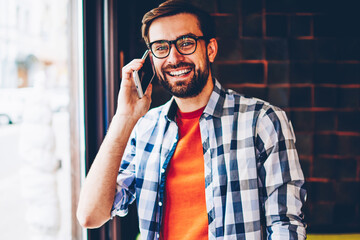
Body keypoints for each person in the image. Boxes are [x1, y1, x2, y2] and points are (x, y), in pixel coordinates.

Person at [77, 0, 307, 239]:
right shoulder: (144, 129)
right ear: (150, 59)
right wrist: (124, 118)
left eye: (186, 43)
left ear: (210, 49)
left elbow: (285, 226)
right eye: (161, 47)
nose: (174, 58)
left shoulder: (262, 120)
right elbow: (91, 216)